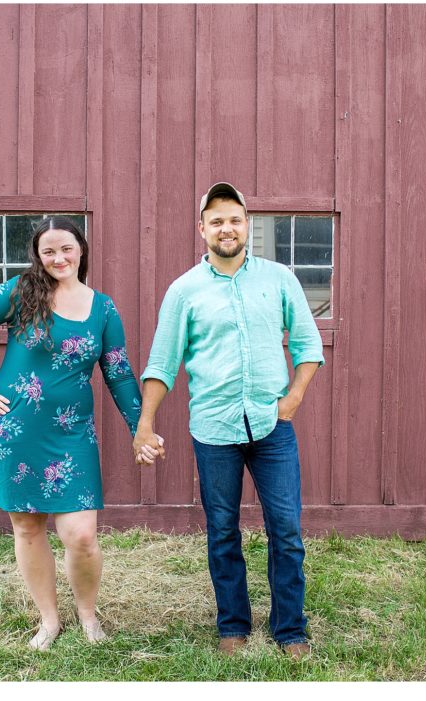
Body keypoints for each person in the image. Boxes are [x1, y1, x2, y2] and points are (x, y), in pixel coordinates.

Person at [0, 216, 162, 651]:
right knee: (27, 529)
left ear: (81, 250)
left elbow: (118, 374)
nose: (58, 258)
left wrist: (141, 429)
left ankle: (87, 614)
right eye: (48, 251)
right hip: (13, 430)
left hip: (71, 437)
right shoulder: (20, 293)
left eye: (66, 248)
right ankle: (49, 620)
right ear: (38, 256)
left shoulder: (103, 308)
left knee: (81, 535)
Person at [132, 182, 324, 660]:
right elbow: (161, 361)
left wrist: (295, 396)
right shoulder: (184, 291)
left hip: (271, 425)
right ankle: (233, 624)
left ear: (247, 226)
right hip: (214, 430)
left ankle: (290, 630)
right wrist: (144, 423)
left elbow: (307, 344)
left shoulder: (279, 278)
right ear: (202, 230)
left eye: (235, 219)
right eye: (216, 220)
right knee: (222, 530)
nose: (227, 228)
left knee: (286, 529)